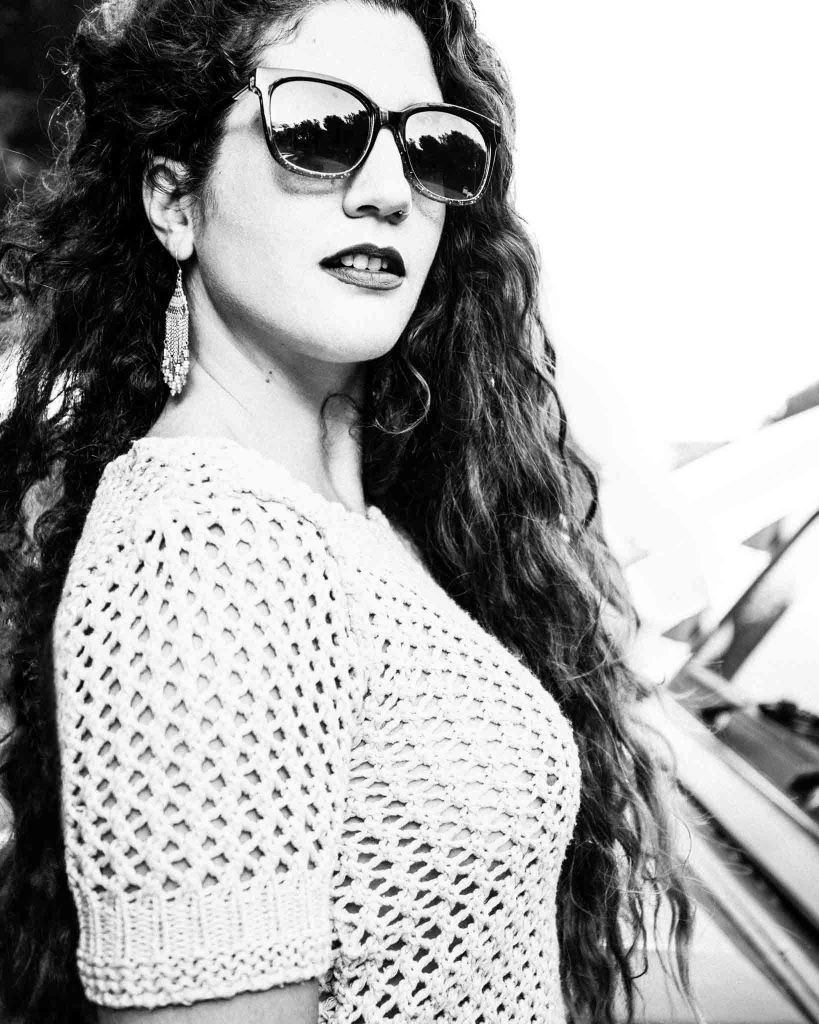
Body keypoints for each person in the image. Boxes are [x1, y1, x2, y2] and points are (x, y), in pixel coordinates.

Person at [0, 1, 698, 1022]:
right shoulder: (205, 552)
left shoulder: (359, 524)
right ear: (174, 199)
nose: (387, 190)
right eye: (320, 129)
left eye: (434, 147)